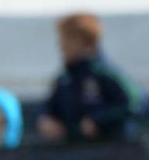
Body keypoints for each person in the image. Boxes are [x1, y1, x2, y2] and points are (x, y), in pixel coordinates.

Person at [36, 12, 142, 144]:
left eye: (67, 40)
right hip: (75, 155)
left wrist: (98, 120)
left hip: (111, 154)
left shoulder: (106, 73)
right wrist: (46, 119)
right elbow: (49, 106)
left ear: (86, 42)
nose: (62, 46)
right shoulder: (65, 78)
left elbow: (134, 103)